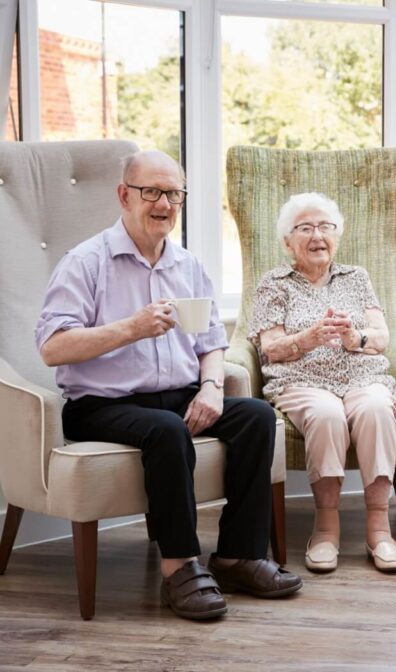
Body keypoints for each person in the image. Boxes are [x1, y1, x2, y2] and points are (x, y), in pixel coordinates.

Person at [35, 150, 302, 621]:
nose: (164, 204)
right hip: (100, 402)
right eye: (151, 192)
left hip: (177, 394)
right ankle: (179, 568)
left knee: (257, 415)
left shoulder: (187, 266)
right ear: (124, 195)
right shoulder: (86, 262)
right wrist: (130, 329)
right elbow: (53, 347)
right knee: (165, 429)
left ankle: (237, 557)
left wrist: (212, 388)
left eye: (173, 194)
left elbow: (212, 341)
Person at [249, 192, 396, 574]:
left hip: (362, 375)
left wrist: (356, 339)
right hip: (301, 379)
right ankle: (325, 528)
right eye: (305, 228)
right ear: (288, 241)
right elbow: (269, 349)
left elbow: (381, 336)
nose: (317, 235)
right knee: (326, 413)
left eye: (325, 227)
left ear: (337, 235)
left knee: (376, 408)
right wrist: (309, 338)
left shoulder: (357, 277)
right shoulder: (274, 283)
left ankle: (379, 528)